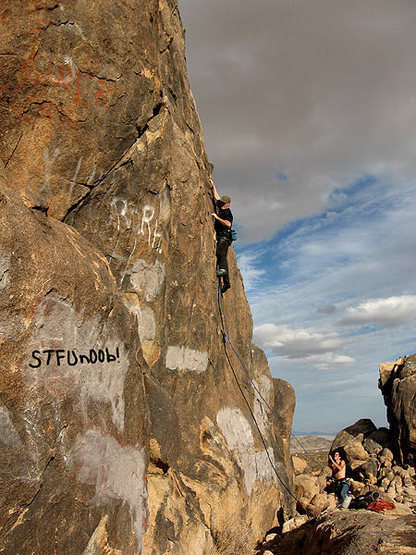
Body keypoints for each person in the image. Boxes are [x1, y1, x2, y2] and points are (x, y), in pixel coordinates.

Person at [209, 178, 233, 294]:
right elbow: (217, 196)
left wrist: (218, 218)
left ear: (228, 204)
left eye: (225, 203)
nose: (222, 203)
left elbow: (228, 224)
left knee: (220, 253)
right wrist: (213, 184)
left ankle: (223, 272)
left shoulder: (228, 213)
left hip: (225, 237)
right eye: (222, 202)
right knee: (222, 256)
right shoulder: (221, 204)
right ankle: (227, 282)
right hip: (220, 236)